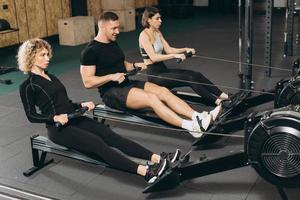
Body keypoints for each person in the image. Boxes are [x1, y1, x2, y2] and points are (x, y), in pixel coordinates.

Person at [18, 38, 181, 184]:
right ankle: (146, 172)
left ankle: (158, 159)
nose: (48, 58)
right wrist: (55, 118)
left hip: (74, 118)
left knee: (112, 136)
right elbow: (31, 115)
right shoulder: (27, 86)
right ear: (31, 57)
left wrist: (81, 104)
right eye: (42, 55)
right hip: (59, 129)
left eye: (48, 54)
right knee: (98, 144)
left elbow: (64, 103)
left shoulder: (52, 77)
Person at [80, 12, 222, 139]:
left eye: (118, 27)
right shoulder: (90, 51)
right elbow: (87, 82)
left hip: (126, 83)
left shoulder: (113, 43)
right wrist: (111, 77)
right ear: (102, 27)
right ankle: (191, 127)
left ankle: (197, 117)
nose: (117, 31)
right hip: (111, 93)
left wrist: (135, 65)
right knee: (152, 99)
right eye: (113, 28)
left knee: (163, 92)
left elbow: (123, 64)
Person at [139, 6, 230, 107]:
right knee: (188, 79)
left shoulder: (157, 32)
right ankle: (218, 102)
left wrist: (185, 49)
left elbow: (169, 49)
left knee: (196, 74)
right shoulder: (144, 36)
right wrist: (174, 56)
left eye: (160, 18)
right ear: (149, 20)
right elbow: (154, 57)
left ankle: (223, 96)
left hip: (162, 69)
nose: (160, 21)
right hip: (155, 75)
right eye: (157, 18)